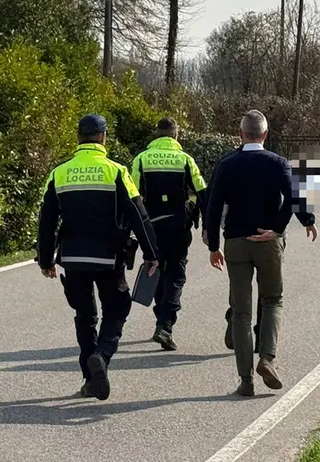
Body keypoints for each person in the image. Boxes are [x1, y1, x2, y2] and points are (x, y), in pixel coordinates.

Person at [37, 114, 160, 401]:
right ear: (103, 137)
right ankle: (102, 356)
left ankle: (90, 379)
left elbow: (46, 221)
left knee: (85, 316)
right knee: (116, 310)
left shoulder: (59, 173)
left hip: (73, 258)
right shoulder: (116, 171)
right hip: (109, 258)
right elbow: (138, 214)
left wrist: (45, 260)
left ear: (78, 137)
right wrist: (152, 253)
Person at [206, 110, 318, 397]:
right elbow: (294, 196)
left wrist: (213, 246)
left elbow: (213, 206)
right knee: (272, 301)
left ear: (241, 134)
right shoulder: (278, 163)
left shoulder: (227, 164)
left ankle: (246, 381)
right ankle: (267, 358)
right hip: (268, 241)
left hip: (236, 242)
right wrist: (291, 225)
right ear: (265, 134)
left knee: (241, 312)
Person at [131, 118, 207, 351]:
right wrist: (208, 227)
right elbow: (203, 192)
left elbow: (132, 196)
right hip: (178, 227)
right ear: (176, 135)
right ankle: (165, 324)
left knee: (155, 271)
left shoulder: (141, 159)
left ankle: (161, 319)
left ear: (157, 135)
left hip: (150, 229)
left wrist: (129, 229)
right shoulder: (185, 159)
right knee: (175, 275)